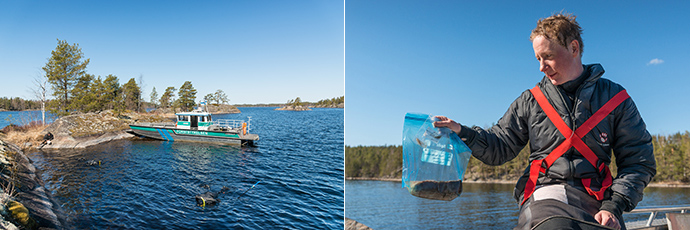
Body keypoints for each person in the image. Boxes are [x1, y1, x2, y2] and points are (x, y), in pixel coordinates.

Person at [434, 13, 656, 230]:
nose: (541, 67)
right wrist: (461, 131)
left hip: (599, 198)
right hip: (546, 191)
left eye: (547, 56)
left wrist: (614, 205)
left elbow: (638, 161)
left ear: (574, 48)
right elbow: (499, 147)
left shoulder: (615, 99)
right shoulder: (530, 101)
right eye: (538, 59)